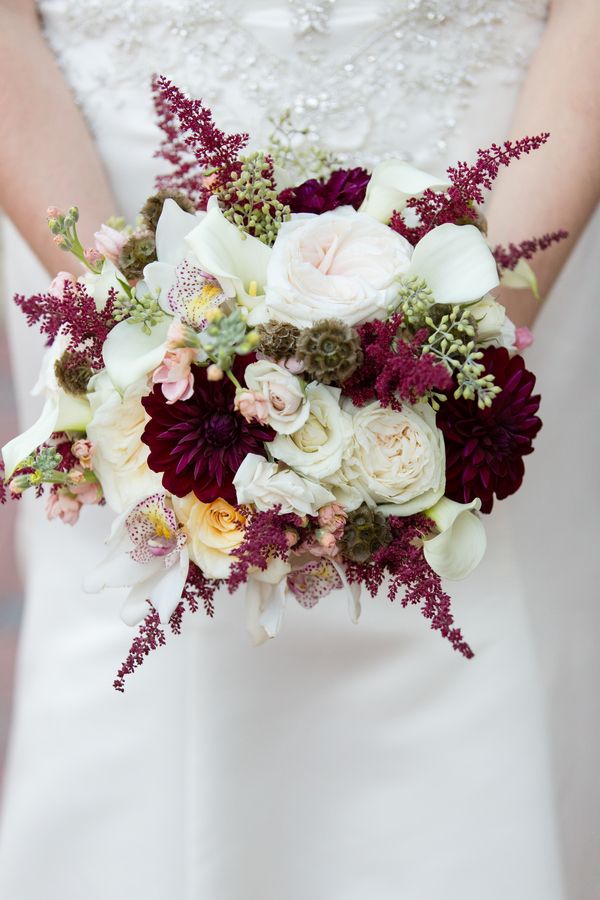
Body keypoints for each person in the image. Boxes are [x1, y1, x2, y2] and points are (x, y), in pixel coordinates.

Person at [0, 1, 598, 898]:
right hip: (103, 173)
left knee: (488, 664)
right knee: (138, 701)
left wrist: (471, 341)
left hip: (510, 175)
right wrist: (126, 320)